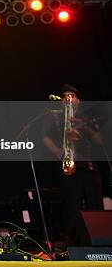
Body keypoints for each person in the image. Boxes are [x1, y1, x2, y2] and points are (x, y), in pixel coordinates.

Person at [42, 85, 103, 247]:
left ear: (78, 100)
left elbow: (98, 140)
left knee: (94, 205)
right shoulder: (55, 117)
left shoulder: (87, 117)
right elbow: (46, 137)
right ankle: (73, 244)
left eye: (71, 96)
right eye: (64, 96)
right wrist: (57, 151)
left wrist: (82, 126)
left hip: (88, 165)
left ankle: (99, 243)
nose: (67, 99)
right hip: (68, 165)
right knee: (71, 206)